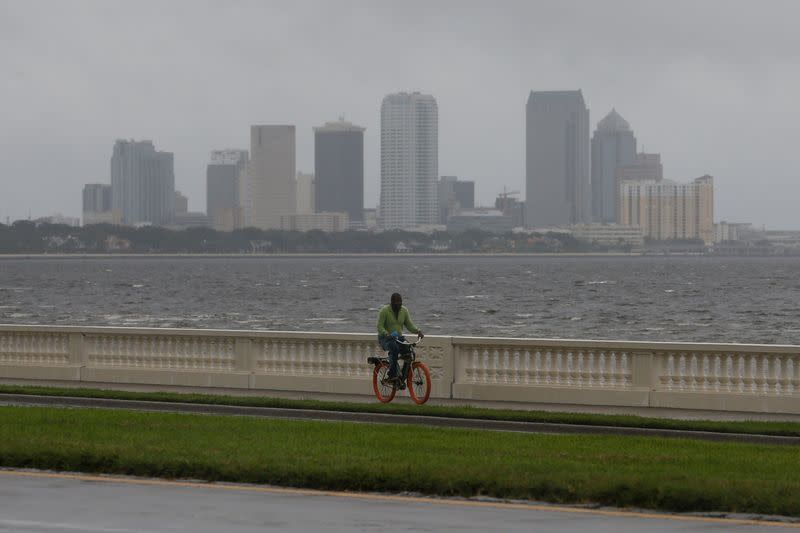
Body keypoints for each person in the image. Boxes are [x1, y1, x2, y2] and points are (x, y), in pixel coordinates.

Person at [377, 293, 424, 385]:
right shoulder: (384, 311)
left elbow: (409, 325)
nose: (399, 305)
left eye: (400, 303)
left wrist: (418, 331)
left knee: (409, 352)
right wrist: (386, 333)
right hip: (385, 339)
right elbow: (379, 326)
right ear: (391, 302)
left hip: (398, 338)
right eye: (396, 303)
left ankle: (402, 376)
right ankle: (392, 375)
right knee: (394, 348)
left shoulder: (404, 311)